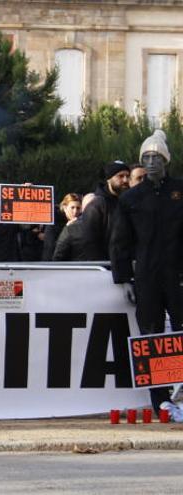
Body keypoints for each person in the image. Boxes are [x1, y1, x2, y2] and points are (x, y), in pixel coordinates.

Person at [110, 129, 183, 415]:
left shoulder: (180, 191)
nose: (151, 162)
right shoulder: (131, 199)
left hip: (177, 275)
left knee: (180, 333)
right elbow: (120, 242)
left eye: (157, 157)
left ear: (166, 160)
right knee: (151, 337)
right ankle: (161, 400)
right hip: (147, 278)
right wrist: (124, 278)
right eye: (146, 157)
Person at [78, 160, 130, 260]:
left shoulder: (127, 202)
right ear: (108, 179)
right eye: (120, 176)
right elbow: (90, 242)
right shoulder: (97, 205)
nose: (125, 180)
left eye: (128, 176)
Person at [41, 193, 81, 260]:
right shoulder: (54, 221)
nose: (75, 211)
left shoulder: (80, 220)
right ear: (65, 207)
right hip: (53, 262)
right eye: (72, 208)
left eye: (78, 208)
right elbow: (51, 246)